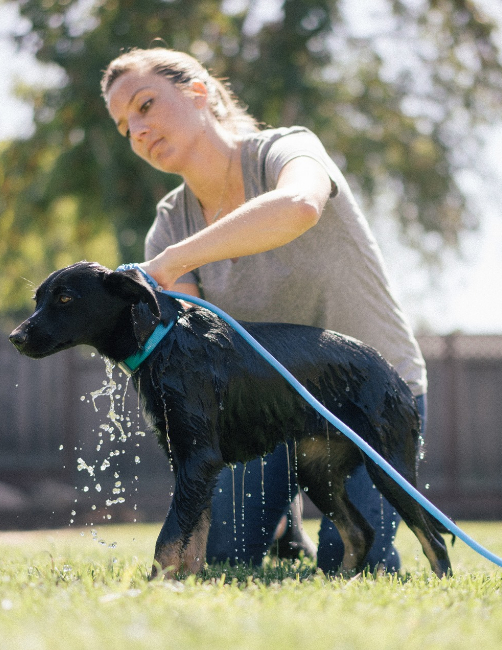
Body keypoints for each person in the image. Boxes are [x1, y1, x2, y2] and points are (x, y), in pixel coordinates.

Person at [101, 47, 428, 573]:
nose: (136, 130)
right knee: (226, 558)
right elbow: (195, 353)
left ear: (199, 93)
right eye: (123, 126)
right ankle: (280, 522)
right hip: (265, 414)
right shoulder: (169, 223)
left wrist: (172, 261)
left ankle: (291, 521)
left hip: (366, 397)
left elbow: (298, 206)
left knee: (354, 561)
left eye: (145, 105)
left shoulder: (286, 150)